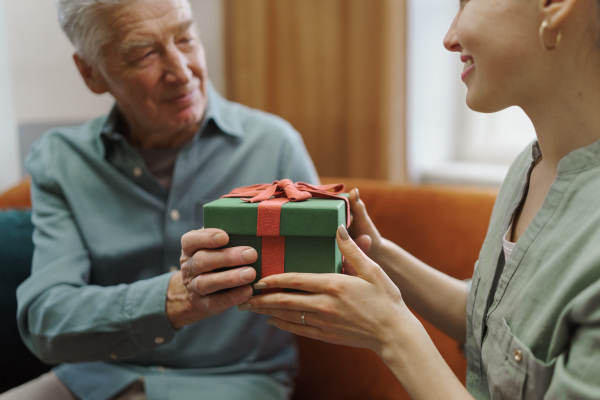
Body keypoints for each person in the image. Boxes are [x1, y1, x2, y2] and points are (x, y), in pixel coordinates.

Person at [238, 0, 600, 398]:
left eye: (467, 3)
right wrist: (378, 254)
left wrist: (392, 334)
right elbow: (496, 325)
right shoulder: (529, 167)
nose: (449, 38)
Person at [4, 0, 319, 399]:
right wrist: (179, 296)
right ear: (90, 72)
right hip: (94, 381)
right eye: (144, 53)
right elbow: (48, 321)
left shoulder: (274, 147)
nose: (182, 72)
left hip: (234, 381)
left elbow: (322, 289)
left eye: (186, 37)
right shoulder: (60, 161)